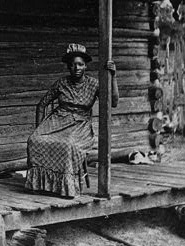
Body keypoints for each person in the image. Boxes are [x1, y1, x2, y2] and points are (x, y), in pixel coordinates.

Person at [25, 43, 118, 198]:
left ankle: (66, 188)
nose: (77, 68)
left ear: (86, 66)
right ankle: (41, 185)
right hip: (57, 120)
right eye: (73, 65)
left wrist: (113, 76)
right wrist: (39, 128)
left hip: (80, 125)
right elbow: (41, 105)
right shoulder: (62, 83)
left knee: (68, 145)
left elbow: (113, 102)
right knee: (34, 140)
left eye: (80, 64)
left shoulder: (94, 84)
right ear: (68, 67)